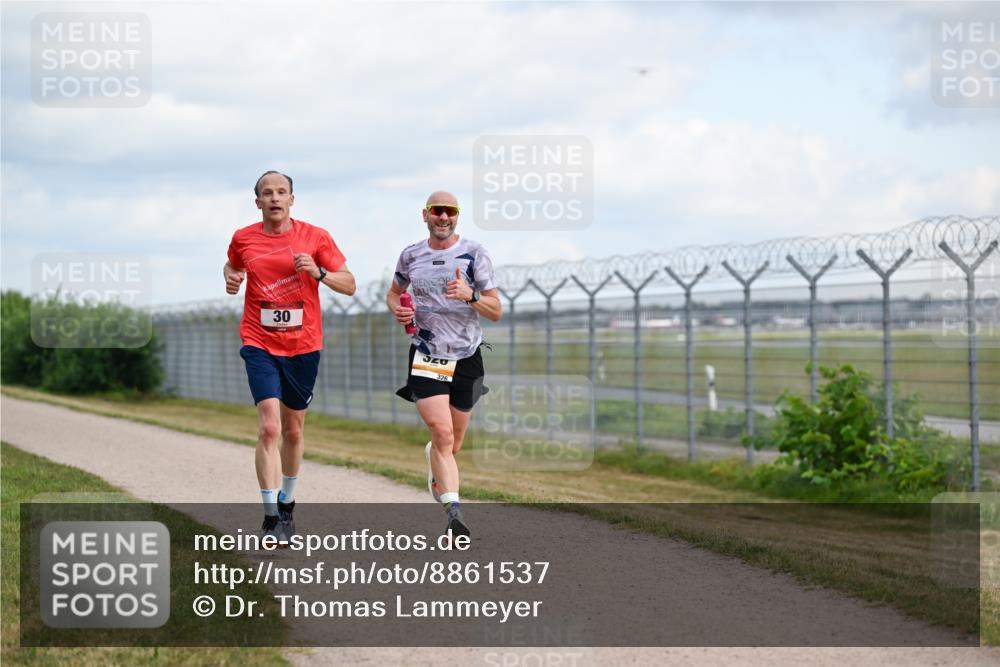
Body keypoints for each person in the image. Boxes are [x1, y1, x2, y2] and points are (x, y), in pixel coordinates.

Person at [224, 170, 355, 541]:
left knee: (294, 430)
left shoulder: (315, 237)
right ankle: (270, 517)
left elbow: (349, 284)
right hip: (259, 340)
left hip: (303, 345)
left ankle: (288, 502)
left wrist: (320, 272)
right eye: (268, 193)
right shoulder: (243, 238)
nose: (275, 198)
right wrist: (231, 278)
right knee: (270, 426)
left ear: (292, 199)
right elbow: (233, 265)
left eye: (282, 192)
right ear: (259, 202)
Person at [386, 190, 502, 538]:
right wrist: (398, 308)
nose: (443, 216)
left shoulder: (474, 253)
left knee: (454, 442)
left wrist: (471, 295)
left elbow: (496, 310)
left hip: (467, 355)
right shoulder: (411, 255)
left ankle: (436, 459)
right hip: (427, 352)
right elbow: (394, 292)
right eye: (437, 210)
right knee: (442, 432)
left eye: (450, 211)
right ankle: (454, 513)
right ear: (425, 215)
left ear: (456, 216)